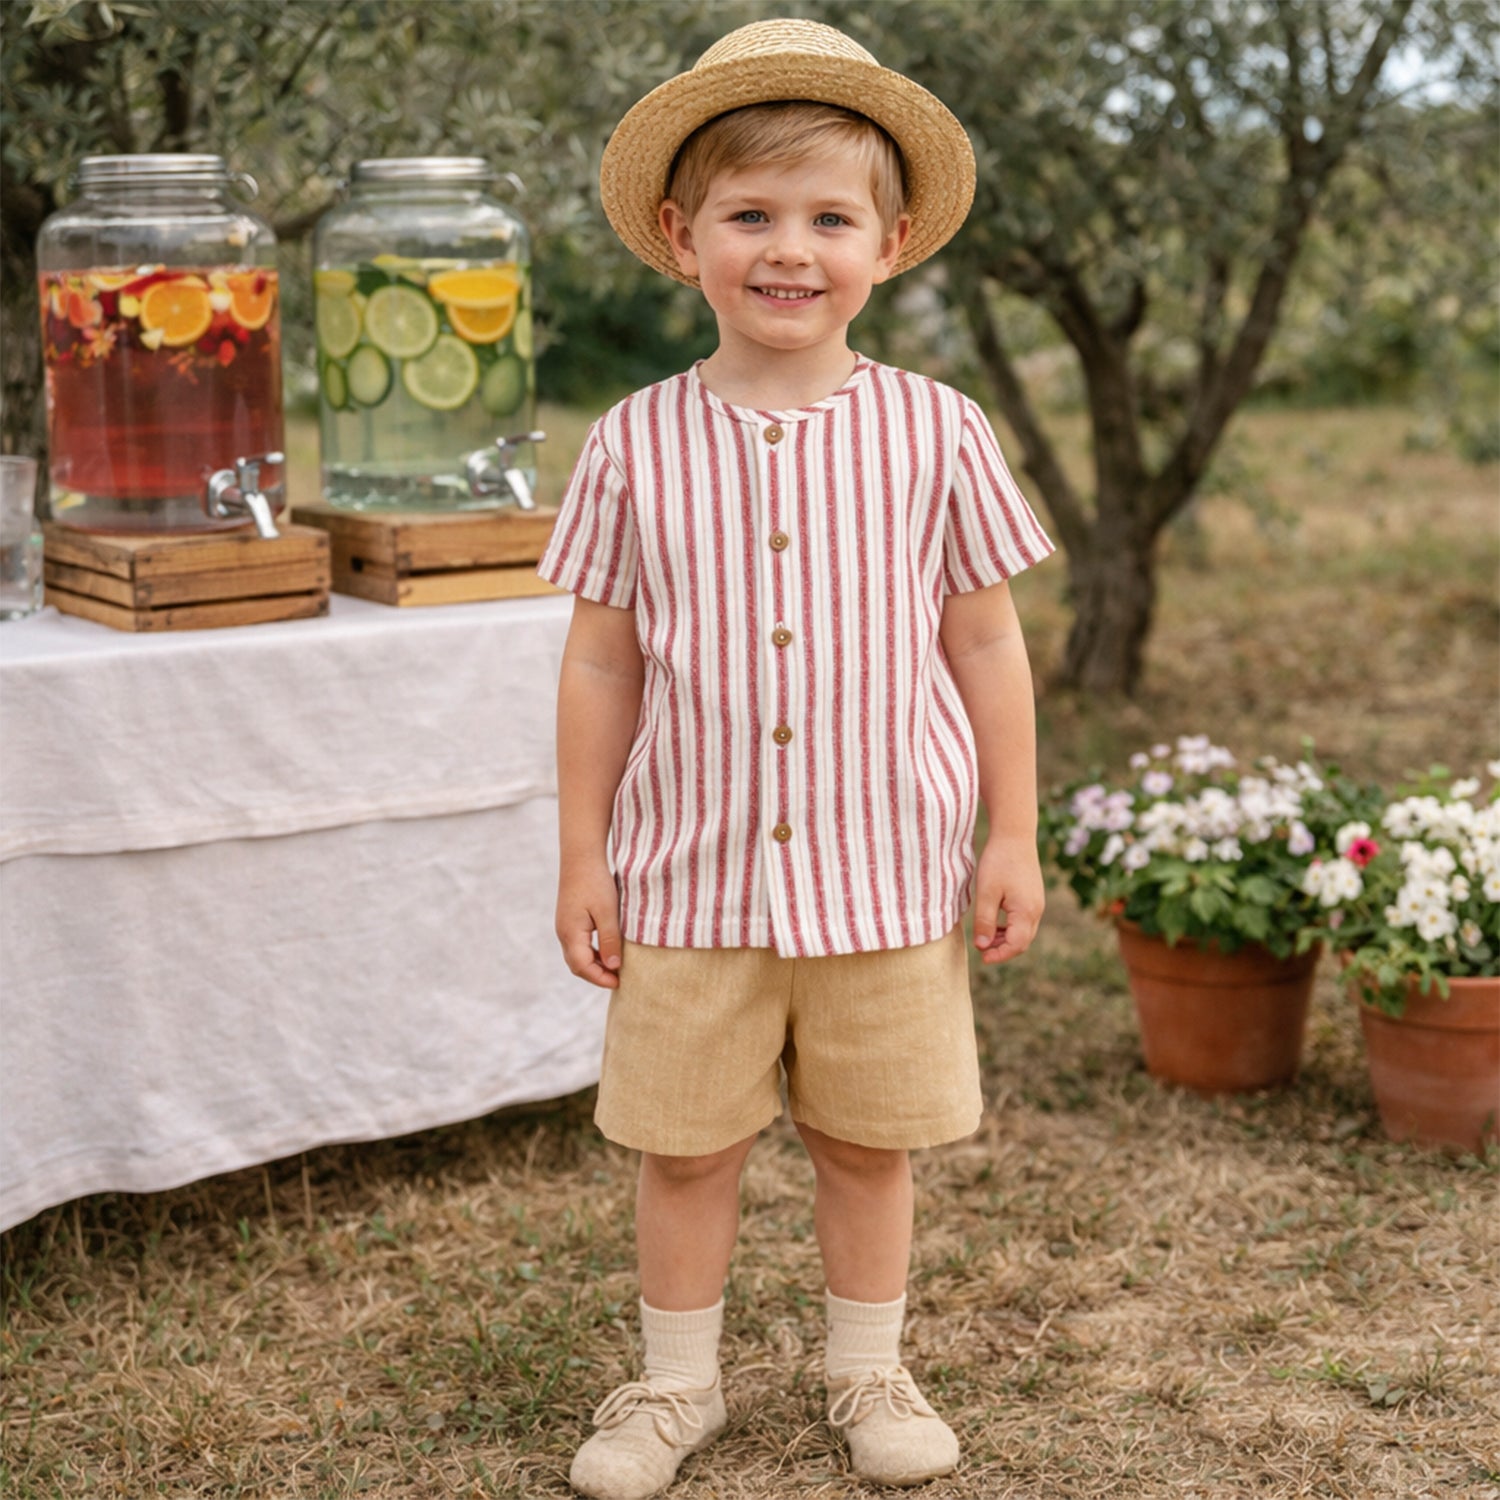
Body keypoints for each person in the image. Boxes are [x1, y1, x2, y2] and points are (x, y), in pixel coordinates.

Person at [538, 19, 1054, 1500]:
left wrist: (1008, 835)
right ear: (677, 231)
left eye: (828, 219)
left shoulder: (937, 430)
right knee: (685, 1150)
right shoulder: (633, 442)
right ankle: (672, 1388)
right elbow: (601, 660)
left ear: (889, 243)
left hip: (885, 872)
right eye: (751, 216)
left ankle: (865, 1368)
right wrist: (585, 853)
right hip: (688, 876)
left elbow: (987, 646)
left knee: (865, 1143)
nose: (789, 250)